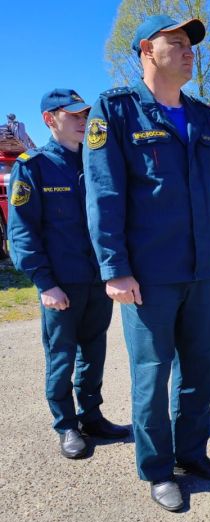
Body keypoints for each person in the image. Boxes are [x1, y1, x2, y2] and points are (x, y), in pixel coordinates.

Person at [83, 15, 210, 512]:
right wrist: (114, 268)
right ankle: (157, 468)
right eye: (178, 43)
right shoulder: (117, 110)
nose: (190, 51)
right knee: (153, 374)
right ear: (148, 49)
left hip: (202, 271)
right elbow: (104, 195)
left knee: (201, 367)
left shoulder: (204, 117)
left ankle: (192, 455)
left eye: (191, 44)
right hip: (148, 276)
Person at [8, 89, 128, 460]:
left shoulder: (98, 162)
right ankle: (66, 425)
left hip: (97, 279)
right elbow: (22, 232)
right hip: (61, 284)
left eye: (84, 114)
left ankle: (92, 417)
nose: (82, 121)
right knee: (62, 356)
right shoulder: (33, 166)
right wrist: (45, 283)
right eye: (73, 115)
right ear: (49, 120)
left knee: (94, 351)